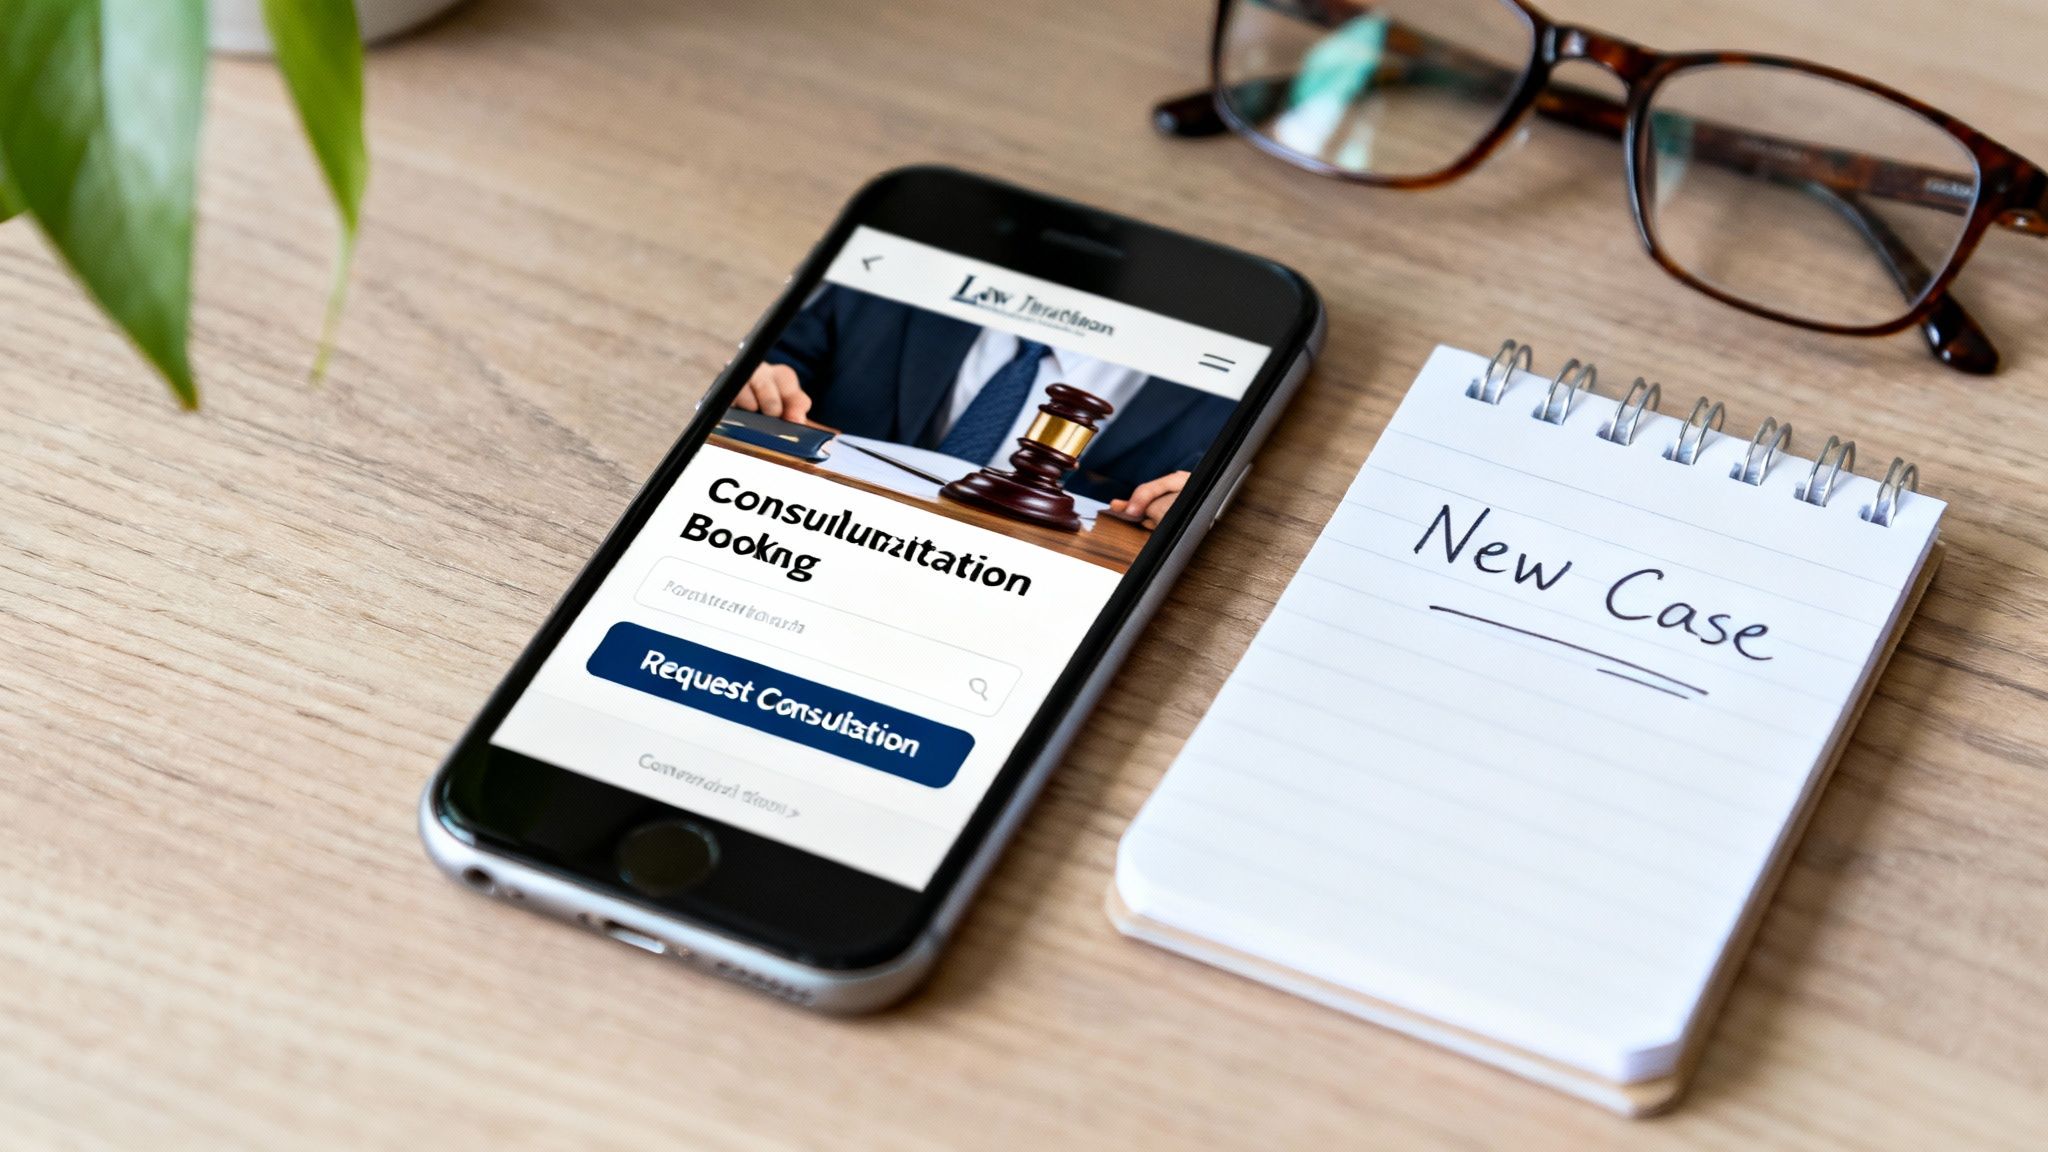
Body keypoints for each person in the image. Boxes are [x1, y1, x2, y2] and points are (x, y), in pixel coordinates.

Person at [731, 285, 1232, 529]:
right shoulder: (894, 281)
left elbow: (1203, 492)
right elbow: (777, 363)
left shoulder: (1223, 386)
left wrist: (1193, 500)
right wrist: (752, 377)